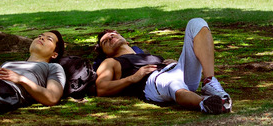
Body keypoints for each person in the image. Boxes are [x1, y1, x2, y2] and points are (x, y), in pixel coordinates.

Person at [95, 17, 232, 115]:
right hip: (153, 82)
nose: (110, 38)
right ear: (106, 54)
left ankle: (209, 81)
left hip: (175, 71)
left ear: (125, 40)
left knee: (196, 23)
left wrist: (175, 64)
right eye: (105, 41)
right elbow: (101, 88)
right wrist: (133, 78)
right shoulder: (110, 62)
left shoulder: (144, 54)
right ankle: (206, 103)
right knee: (172, 83)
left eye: (113, 35)